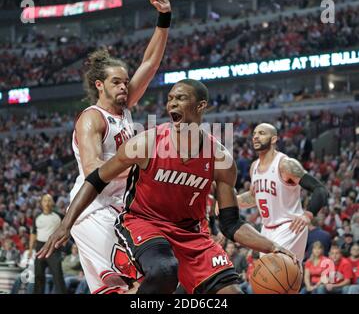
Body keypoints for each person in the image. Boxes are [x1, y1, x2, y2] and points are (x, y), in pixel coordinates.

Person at [38, 79, 296, 294]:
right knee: (165, 269)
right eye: (170, 98)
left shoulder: (220, 160)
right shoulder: (147, 143)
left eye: (180, 98)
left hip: (192, 234)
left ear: (201, 105)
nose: (172, 102)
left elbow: (230, 224)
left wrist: (271, 246)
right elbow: (95, 178)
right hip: (144, 223)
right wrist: (66, 224)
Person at [66, 0, 172, 294]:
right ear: (100, 85)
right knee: (133, 281)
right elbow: (93, 170)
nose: (124, 86)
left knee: (140, 281)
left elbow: (150, 63)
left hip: (120, 209)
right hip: (93, 210)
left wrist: (163, 17)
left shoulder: (123, 111)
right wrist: (140, 164)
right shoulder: (92, 119)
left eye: (126, 81)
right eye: (117, 82)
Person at [236, 123, 328, 261]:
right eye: (254, 133)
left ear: (273, 139)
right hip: (266, 230)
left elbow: (320, 189)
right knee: (269, 280)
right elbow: (254, 197)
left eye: (261, 133)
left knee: (277, 273)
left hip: (289, 227)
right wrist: (229, 201)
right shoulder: (254, 167)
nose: (255, 137)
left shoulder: (285, 164)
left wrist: (307, 215)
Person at [30, 194, 66, 294]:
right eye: (45, 200)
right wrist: (30, 249)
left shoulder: (59, 216)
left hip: (53, 248)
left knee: (58, 275)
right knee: (38, 275)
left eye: (49, 200)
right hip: (39, 247)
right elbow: (33, 234)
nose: (47, 203)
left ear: (53, 203)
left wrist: (63, 242)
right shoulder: (37, 217)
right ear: (41, 203)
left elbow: (67, 228)